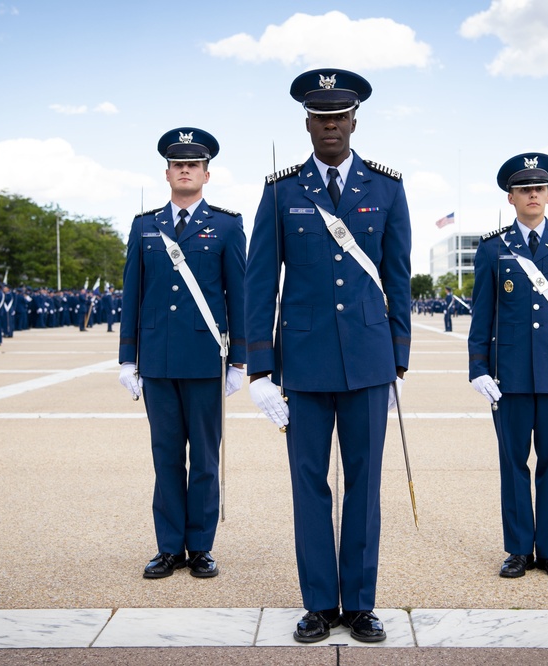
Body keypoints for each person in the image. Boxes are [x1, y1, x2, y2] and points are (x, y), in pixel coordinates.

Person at [245, 68, 411, 644]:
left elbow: (397, 277)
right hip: (306, 363)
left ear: (354, 121)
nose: (330, 126)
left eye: (340, 117)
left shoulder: (386, 188)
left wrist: (400, 357)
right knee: (309, 483)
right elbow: (259, 282)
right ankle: (319, 602)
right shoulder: (281, 190)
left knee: (365, 484)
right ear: (308, 123)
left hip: (368, 361)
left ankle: (360, 604)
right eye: (321, 118)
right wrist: (260, 369)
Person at [118, 127, 246, 581]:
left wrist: (240, 361)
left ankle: (202, 547)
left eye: (194, 164)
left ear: (207, 174)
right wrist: (127, 358)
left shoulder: (228, 225)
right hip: (157, 359)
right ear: (167, 172)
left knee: (206, 461)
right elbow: (132, 293)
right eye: (178, 163)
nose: (185, 169)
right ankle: (169, 547)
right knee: (166, 456)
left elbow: (239, 294)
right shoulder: (143, 225)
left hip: (205, 359)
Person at [467, 152, 548, 581]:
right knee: (513, 463)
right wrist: (478, 367)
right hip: (511, 376)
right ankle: (519, 549)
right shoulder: (492, 249)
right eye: (524, 189)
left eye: (539, 188)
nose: (533, 194)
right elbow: (481, 315)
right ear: (511, 197)